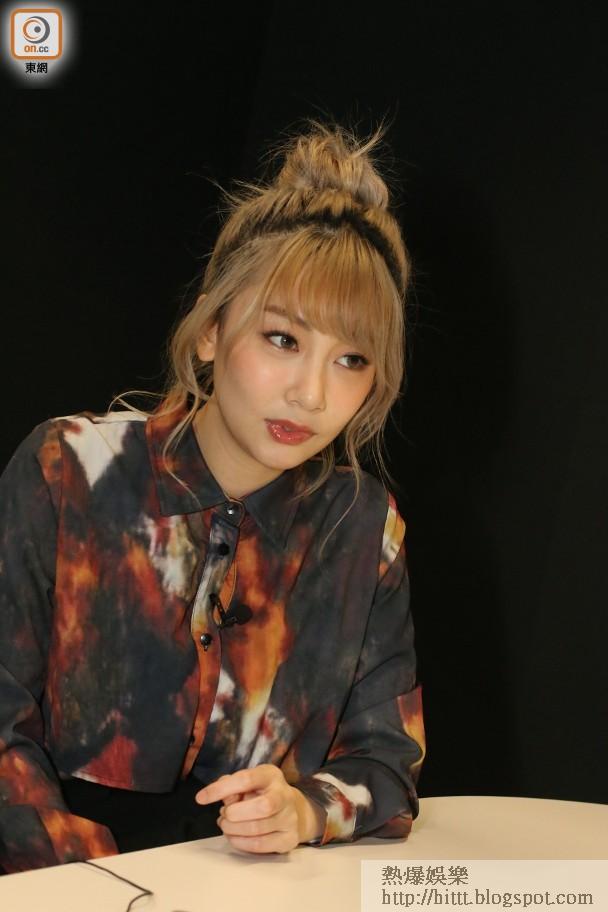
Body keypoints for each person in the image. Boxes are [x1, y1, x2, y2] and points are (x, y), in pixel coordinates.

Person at [0, 120, 425, 874]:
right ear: (209, 330)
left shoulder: (363, 527)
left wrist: (303, 809)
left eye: (351, 359)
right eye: (283, 339)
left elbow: (388, 760)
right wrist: (87, 880)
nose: (311, 393)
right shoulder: (68, 467)